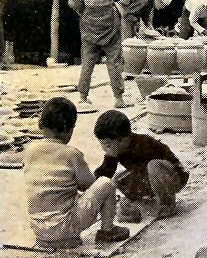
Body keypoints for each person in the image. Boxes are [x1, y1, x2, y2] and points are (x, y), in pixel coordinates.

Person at [23, 97, 129, 249]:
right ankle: (107, 230)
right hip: (65, 227)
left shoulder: (29, 150)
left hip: (38, 228)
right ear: (70, 129)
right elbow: (89, 185)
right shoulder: (72, 154)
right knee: (106, 183)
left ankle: (50, 238)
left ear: (40, 125)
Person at [68, 0, 131, 109]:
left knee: (87, 60)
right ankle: (118, 98)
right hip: (110, 25)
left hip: (88, 24)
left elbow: (74, 3)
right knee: (115, 60)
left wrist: (86, 12)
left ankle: (82, 96)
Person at [94, 110, 189, 221]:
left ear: (123, 140)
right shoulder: (115, 153)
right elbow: (105, 173)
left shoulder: (144, 143)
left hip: (173, 176)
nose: (104, 149)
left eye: (107, 145)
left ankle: (167, 205)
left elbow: (158, 168)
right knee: (117, 180)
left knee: (153, 166)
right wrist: (88, 185)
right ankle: (143, 204)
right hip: (147, 177)